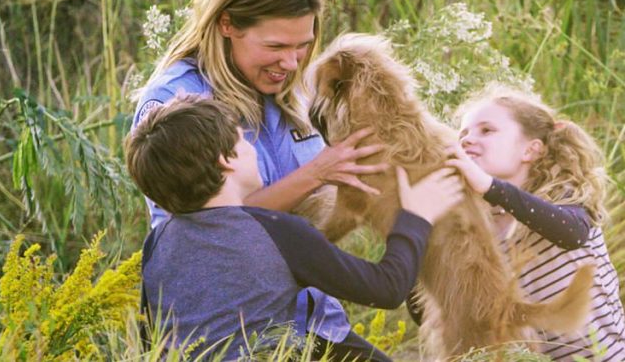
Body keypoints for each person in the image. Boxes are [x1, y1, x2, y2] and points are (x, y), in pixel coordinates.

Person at [130, 0, 390, 356]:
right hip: (233, 335)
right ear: (227, 24)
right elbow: (203, 231)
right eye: (276, 46)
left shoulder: (290, 84)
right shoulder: (175, 104)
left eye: (303, 46)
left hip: (311, 316)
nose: (290, 63)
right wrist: (318, 174)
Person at [125, 97, 465, 360]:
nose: (250, 148)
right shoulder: (274, 231)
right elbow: (387, 288)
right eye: (243, 140)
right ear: (225, 159)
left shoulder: (158, 243)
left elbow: (152, 339)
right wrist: (416, 217)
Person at [445, 86, 625, 361]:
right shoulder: (480, 225)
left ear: (531, 150)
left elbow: (571, 233)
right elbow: (428, 309)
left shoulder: (566, 197)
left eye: (486, 130)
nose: (467, 140)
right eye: (463, 134)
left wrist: (488, 186)